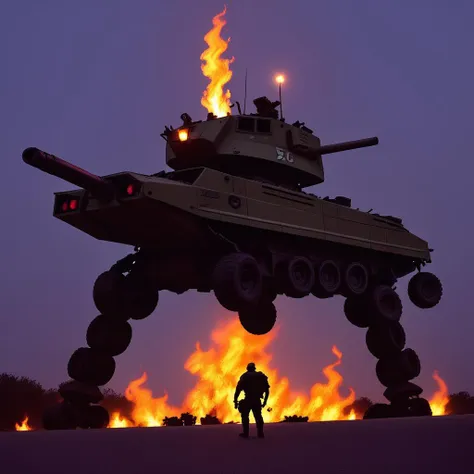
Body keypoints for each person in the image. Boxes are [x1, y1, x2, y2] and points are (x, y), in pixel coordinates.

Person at [233, 362, 270, 438]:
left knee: (245, 416)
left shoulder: (245, 376)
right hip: (257, 400)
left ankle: (246, 433)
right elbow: (267, 390)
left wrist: (235, 401)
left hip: (248, 399)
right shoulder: (260, 376)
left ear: (247, 368)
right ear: (254, 368)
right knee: (258, 416)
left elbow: (238, 390)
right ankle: (260, 433)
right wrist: (265, 401)